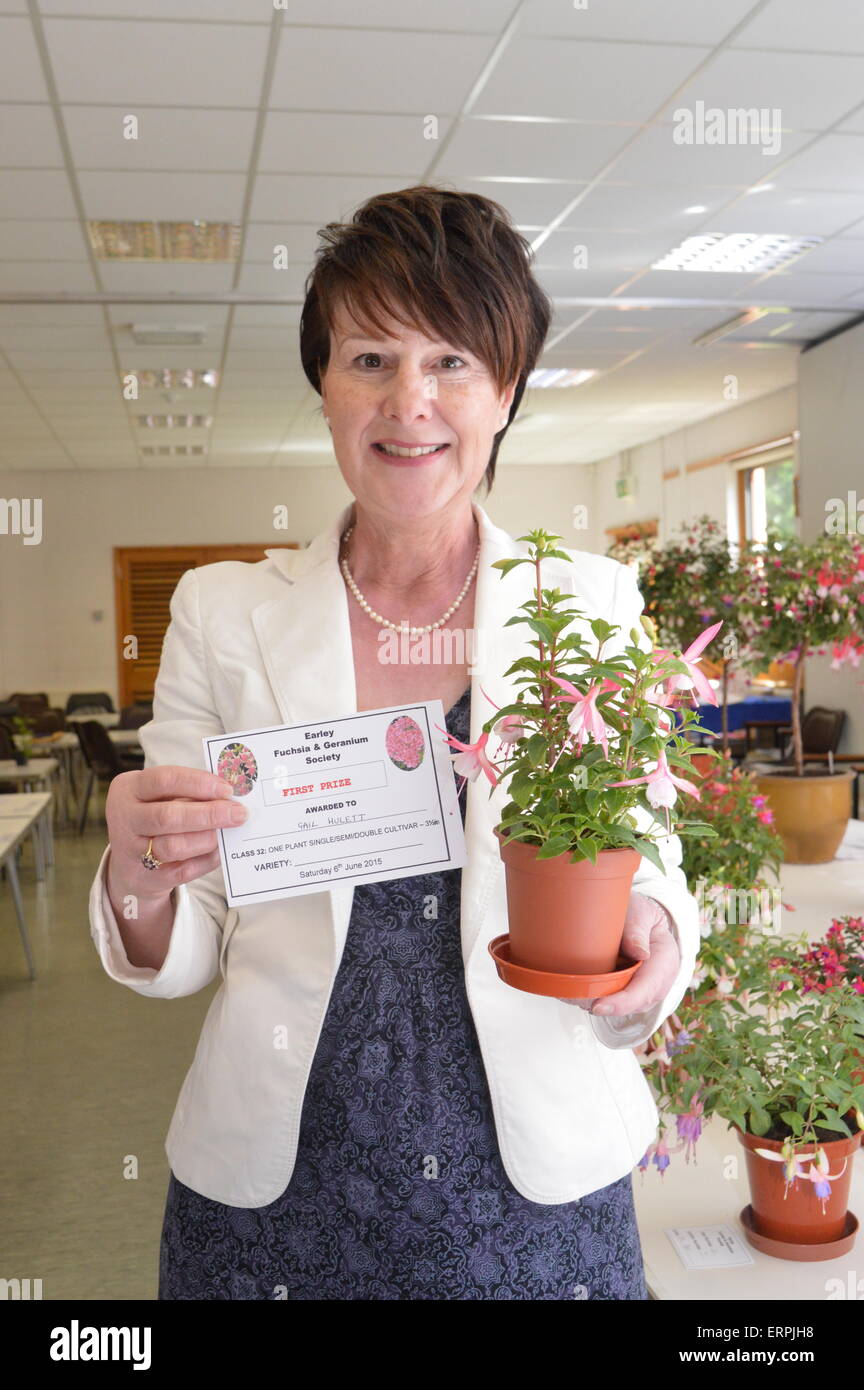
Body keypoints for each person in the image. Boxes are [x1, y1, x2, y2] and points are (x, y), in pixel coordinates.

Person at [88, 185, 699, 1300]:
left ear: (505, 391)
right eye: (369, 358)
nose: (408, 400)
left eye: (452, 361)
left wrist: (655, 928)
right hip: (277, 1183)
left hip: (533, 1185)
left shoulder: (592, 601)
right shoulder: (222, 614)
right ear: (324, 387)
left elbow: (642, 853)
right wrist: (139, 873)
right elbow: (186, 937)